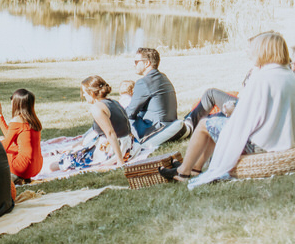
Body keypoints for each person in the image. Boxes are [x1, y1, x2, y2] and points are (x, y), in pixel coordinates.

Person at [162, 32, 295, 187]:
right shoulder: (288, 75)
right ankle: (195, 168)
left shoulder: (262, 78)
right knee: (217, 125)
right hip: (283, 138)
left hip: (262, 143)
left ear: (265, 51)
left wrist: (232, 114)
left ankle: (183, 171)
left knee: (205, 124)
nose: (252, 53)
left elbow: (246, 117)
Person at [53, 76, 132, 171]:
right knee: (71, 152)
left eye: (84, 93)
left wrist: (120, 161)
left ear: (91, 93)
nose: (84, 96)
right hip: (128, 145)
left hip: (114, 150)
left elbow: (110, 133)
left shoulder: (97, 108)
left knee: (59, 164)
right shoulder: (113, 102)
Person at [127, 47, 180, 143]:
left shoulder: (143, 82)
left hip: (154, 128)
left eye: (136, 62)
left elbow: (130, 112)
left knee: (121, 118)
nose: (133, 65)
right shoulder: (163, 77)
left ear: (147, 63)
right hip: (169, 124)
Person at [0, 88, 43, 183]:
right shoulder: (33, 120)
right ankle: (20, 178)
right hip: (37, 167)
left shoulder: (17, 120)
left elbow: (4, 147)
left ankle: (14, 177)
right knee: (5, 142)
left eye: (12, 98)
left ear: (16, 103)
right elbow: (11, 138)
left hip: (23, 167)